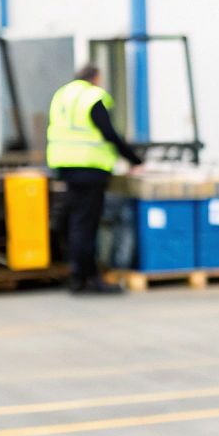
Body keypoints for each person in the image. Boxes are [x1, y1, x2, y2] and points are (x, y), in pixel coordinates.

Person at [46, 65, 142, 295]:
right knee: (86, 225)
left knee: (76, 223)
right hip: (89, 168)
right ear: (96, 78)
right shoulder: (92, 96)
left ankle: (78, 276)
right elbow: (109, 133)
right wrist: (135, 159)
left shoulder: (62, 95)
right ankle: (87, 278)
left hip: (66, 167)